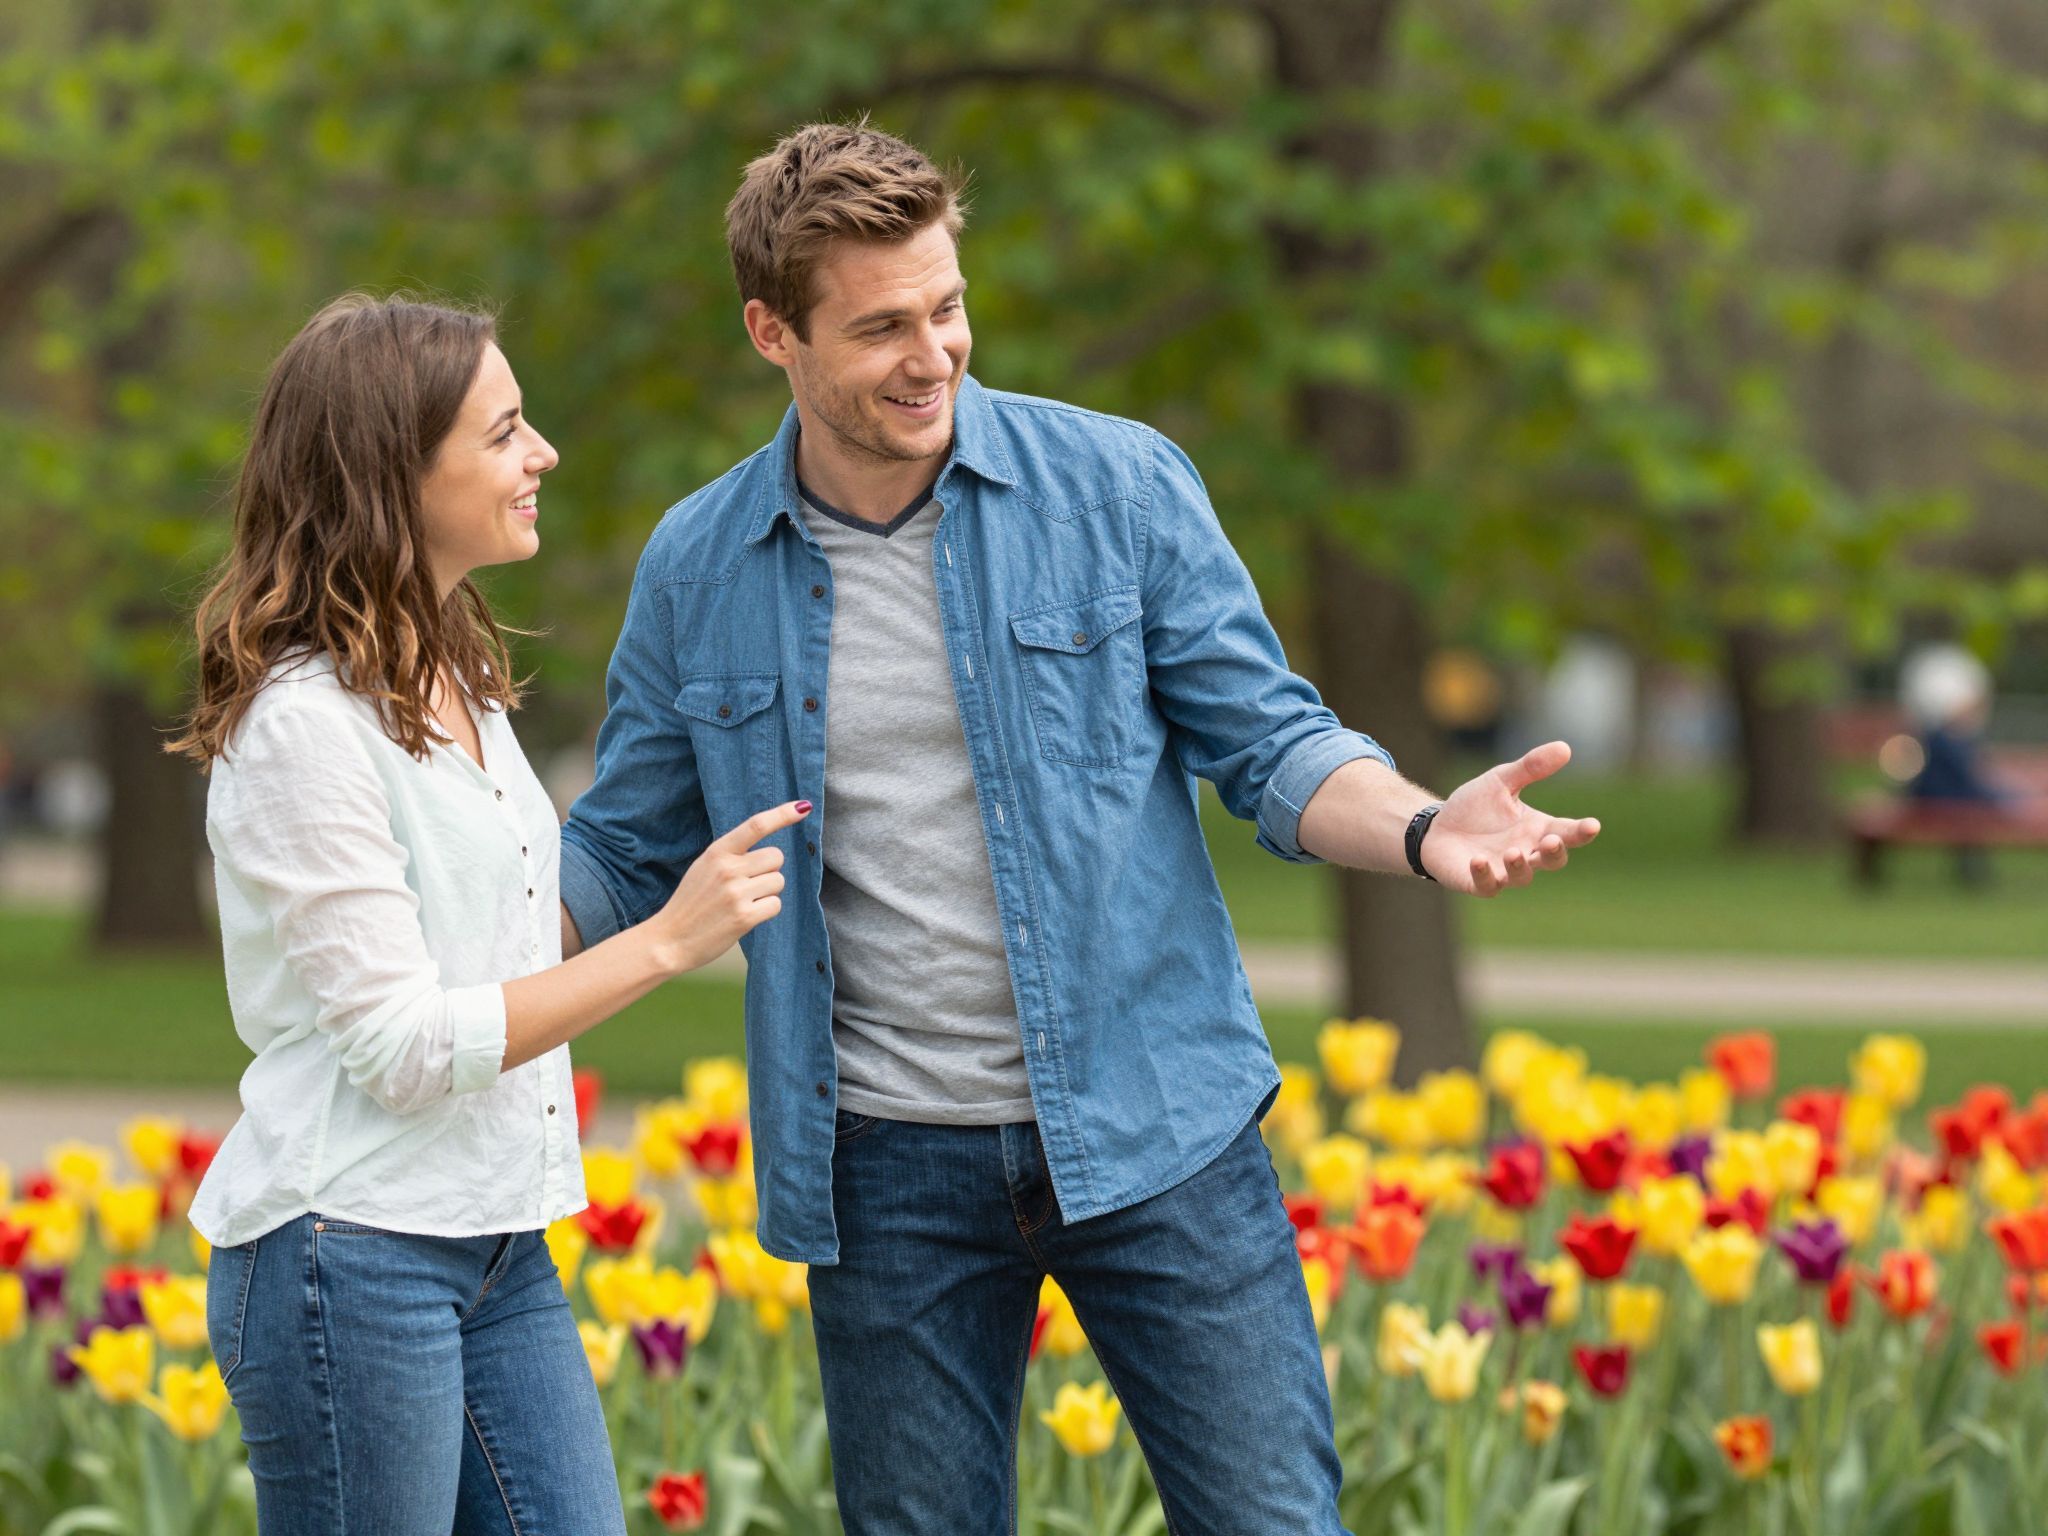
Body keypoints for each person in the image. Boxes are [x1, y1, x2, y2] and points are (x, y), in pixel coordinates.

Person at [558, 122, 1600, 1535]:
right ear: (772, 333)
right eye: (880, 329)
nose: (933, 356)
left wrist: (1425, 828)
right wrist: (442, 954)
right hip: (886, 1167)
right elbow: (620, 849)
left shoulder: (1116, 488)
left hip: (1156, 1122)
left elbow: (1273, 744)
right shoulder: (699, 562)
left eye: (947, 308)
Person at [171, 293, 803, 1534]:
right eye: (505, 432)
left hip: (499, 1239)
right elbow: (405, 1049)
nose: (543, 454)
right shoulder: (303, 730)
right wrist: (667, 942)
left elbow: (499, 930)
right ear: (393, 476)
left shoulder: (451, 671)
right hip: (344, 1257)